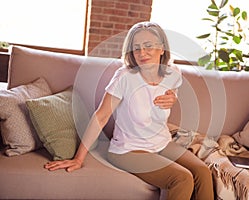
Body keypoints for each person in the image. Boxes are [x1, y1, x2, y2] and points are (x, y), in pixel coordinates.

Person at [45, 21, 214, 200]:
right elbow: (101, 116)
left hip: (161, 143)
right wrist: (78, 159)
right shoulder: (125, 77)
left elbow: (170, 93)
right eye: (136, 48)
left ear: (162, 48)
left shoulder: (173, 73)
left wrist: (173, 98)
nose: (142, 53)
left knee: (203, 172)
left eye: (148, 46)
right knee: (182, 178)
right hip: (128, 150)